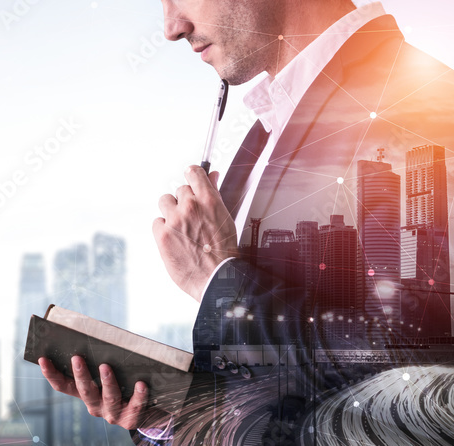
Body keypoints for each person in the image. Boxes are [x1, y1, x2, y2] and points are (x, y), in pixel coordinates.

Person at [41, 0, 454, 444]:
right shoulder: (266, 133)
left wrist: (217, 278)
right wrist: (175, 414)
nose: (171, 27)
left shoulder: (422, 104)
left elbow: (421, 381)